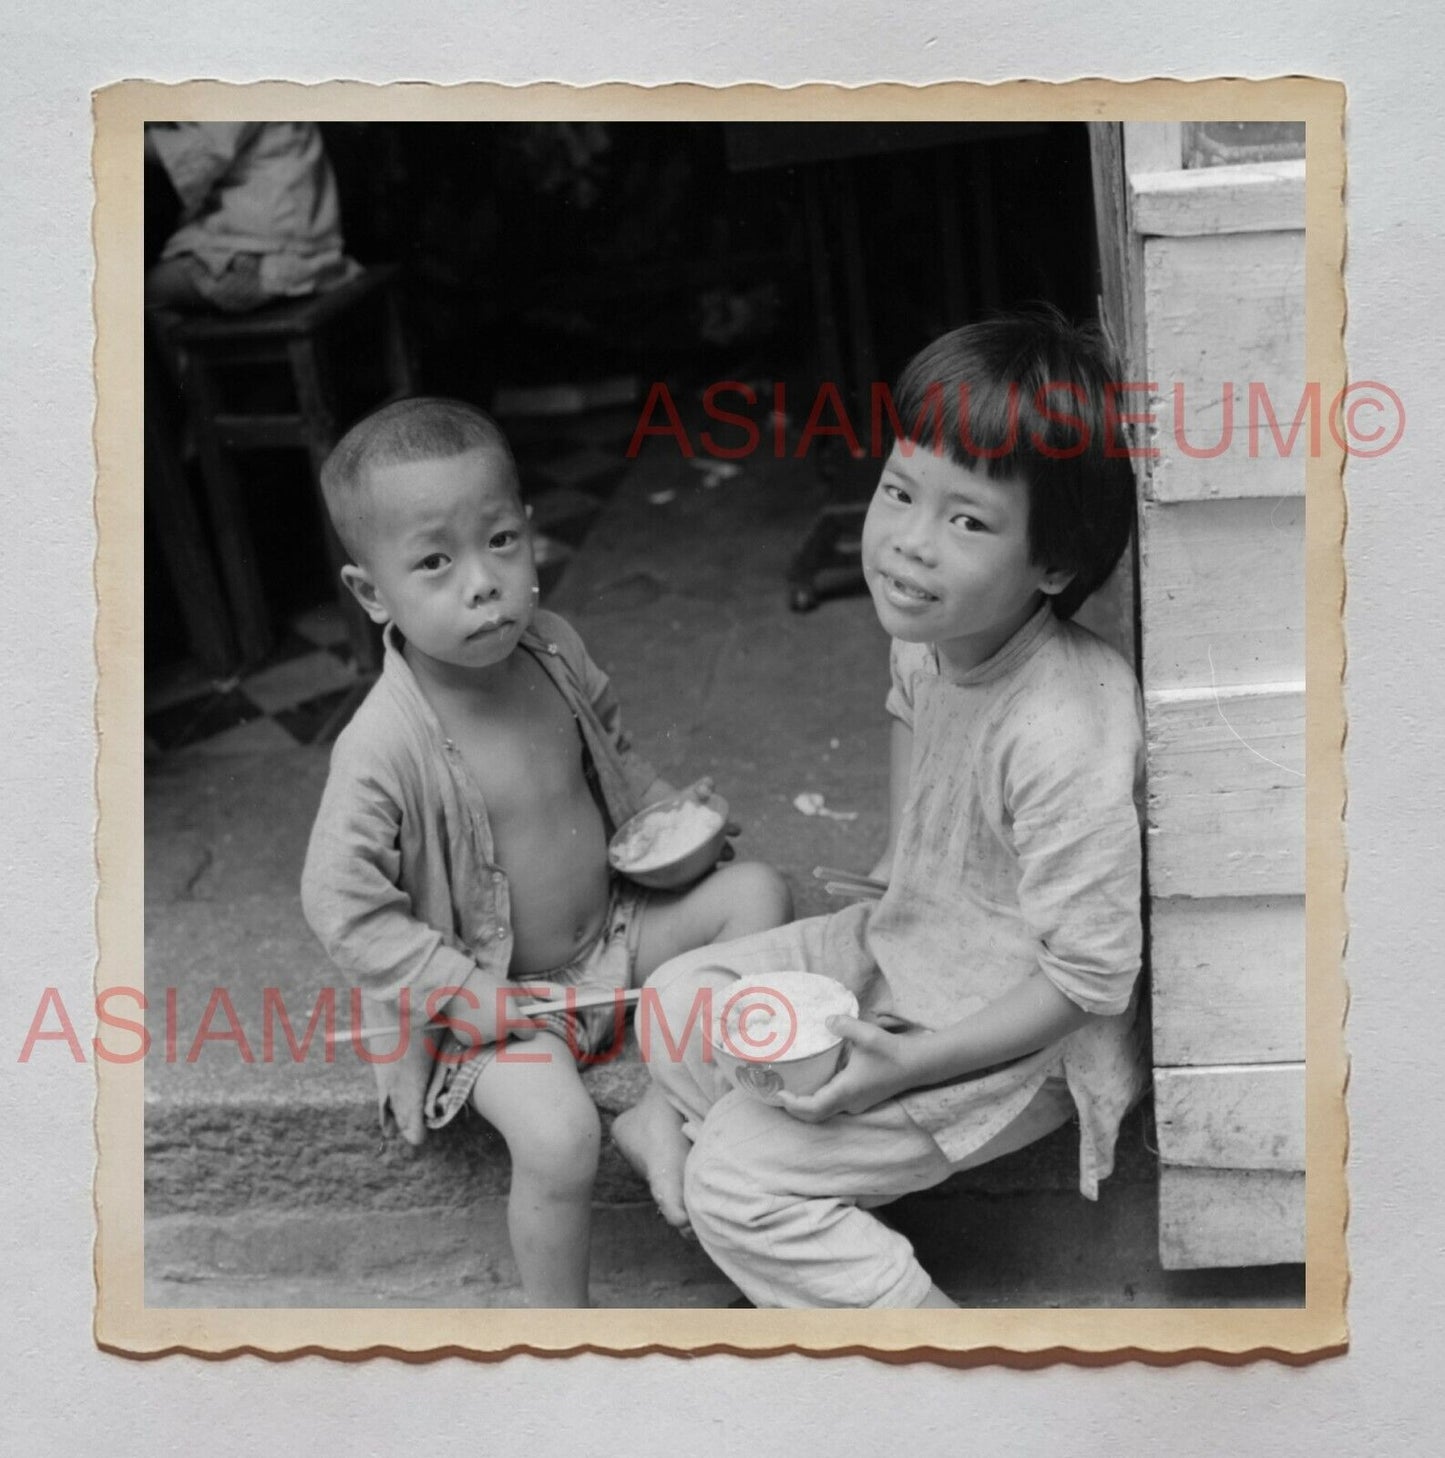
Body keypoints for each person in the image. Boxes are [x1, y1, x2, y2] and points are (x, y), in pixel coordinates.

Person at [630, 311, 1148, 1308]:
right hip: (908, 944)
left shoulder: (1060, 728)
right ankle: (783, 1172)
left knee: (730, 1186)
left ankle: (944, 1369)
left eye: (965, 521)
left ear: (1050, 564)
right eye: (899, 490)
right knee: (672, 1003)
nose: (908, 544)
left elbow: (1088, 981)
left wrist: (908, 1062)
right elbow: (908, 708)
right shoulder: (929, 631)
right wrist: (900, 855)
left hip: (1013, 1039)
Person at [300, 397, 791, 1307]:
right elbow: (341, 903)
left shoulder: (554, 650)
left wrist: (672, 825)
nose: (481, 582)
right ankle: (562, 1337)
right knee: (560, 1135)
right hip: (498, 1002)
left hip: (611, 938)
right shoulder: (382, 745)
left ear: (533, 535)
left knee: (755, 895)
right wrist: (450, 991)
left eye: (500, 542)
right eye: (435, 562)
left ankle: (667, 1103)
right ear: (373, 594)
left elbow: (615, 757)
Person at [145, 122, 360, 313]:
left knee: (146, 288)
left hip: (270, 249)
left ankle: (185, 356)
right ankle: (188, 353)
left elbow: (206, 149)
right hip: (285, 236)